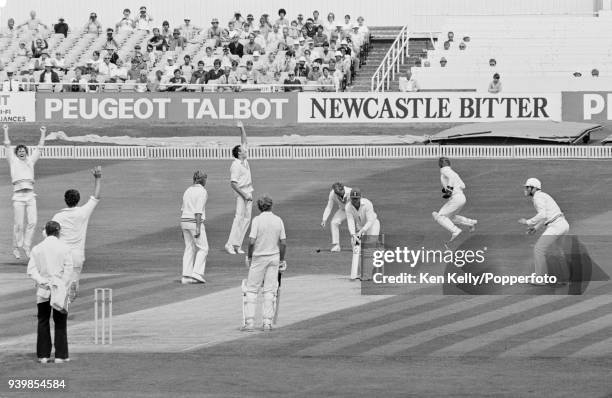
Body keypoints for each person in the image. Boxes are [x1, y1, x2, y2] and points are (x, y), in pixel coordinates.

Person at [26, 220, 74, 364]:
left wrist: (43, 281)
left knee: (43, 320)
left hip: (43, 289)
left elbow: (31, 271)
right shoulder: (65, 247)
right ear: (58, 232)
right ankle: (61, 356)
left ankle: (43, 356)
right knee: (60, 322)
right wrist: (60, 284)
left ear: (46, 232)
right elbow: (69, 269)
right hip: (59, 289)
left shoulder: (37, 248)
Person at [51, 166, 101, 299]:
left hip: (62, 254)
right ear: (78, 200)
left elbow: (47, 234)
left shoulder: (58, 216)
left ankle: (61, 298)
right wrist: (98, 178)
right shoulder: (83, 212)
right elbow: (96, 197)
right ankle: (70, 291)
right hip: (77, 255)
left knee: (60, 282)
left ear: (65, 200)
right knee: (73, 283)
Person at [242, 195, 287, 332]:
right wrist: (281, 260)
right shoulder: (278, 220)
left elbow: (251, 241)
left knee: (251, 290)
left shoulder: (257, 220)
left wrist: (249, 256)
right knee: (269, 290)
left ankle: (249, 323)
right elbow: (283, 243)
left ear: (259, 207)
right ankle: (267, 323)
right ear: (271, 206)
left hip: (259, 258)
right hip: (274, 258)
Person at [4, 125, 46, 259]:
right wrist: (5, 130)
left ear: (26, 152)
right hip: (18, 196)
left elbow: (40, 148)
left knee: (33, 222)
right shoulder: (13, 161)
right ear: (16, 153)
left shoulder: (30, 161)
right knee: (19, 224)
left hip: (30, 196)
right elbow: (7, 145)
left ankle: (26, 246)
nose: (21, 152)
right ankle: (16, 247)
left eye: (23, 150)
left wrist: (43, 133)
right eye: (19, 151)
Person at [518, 178, 570, 284]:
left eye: (527, 187)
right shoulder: (543, 196)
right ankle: (564, 277)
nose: (526, 189)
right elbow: (545, 216)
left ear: (533, 188)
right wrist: (536, 228)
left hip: (556, 226)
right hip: (563, 224)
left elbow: (543, 215)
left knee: (538, 249)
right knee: (557, 250)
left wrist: (528, 222)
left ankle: (539, 278)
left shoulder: (538, 197)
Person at [432, 157, 477, 246]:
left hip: (456, 198)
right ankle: (470, 222)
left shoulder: (444, 170)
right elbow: (463, 186)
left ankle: (455, 231)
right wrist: (446, 189)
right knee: (450, 217)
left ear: (440, 165)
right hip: (461, 198)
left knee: (439, 216)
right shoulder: (454, 173)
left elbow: (451, 178)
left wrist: (448, 190)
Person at [225, 121, 253, 255]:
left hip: (249, 191)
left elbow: (244, 140)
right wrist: (244, 195)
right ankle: (229, 244)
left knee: (247, 220)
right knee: (238, 219)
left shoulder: (245, 161)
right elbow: (233, 184)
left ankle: (237, 245)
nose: (246, 150)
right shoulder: (235, 165)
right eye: (243, 150)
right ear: (239, 153)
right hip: (242, 193)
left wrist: (242, 128)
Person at [180, 171, 208, 284]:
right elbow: (198, 210)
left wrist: (182, 229)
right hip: (194, 222)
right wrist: (197, 227)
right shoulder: (202, 191)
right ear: (202, 180)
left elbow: (182, 209)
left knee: (189, 247)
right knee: (203, 248)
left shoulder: (188, 190)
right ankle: (196, 273)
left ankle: (186, 276)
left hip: (184, 221)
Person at [345, 189, 380, 279]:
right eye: (353, 199)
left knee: (369, 247)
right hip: (360, 226)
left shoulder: (367, 203)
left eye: (356, 199)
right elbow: (350, 221)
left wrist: (361, 232)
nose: (355, 201)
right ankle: (362, 272)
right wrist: (353, 234)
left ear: (360, 198)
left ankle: (368, 275)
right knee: (355, 244)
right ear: (350, 198)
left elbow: (370, 220)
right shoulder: (348, 207)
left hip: (372, 225)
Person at [321, 182, 353, 252]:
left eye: (340, 192)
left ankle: (356, 245)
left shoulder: (351, 191)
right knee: (334, 222)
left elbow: (359, 203)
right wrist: (324, 219)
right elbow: (329, 207)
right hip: (343, 210)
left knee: (354, 227)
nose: (338, 194)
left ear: (343, 188)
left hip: (353, 211)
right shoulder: (332, 194)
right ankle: (336, 245)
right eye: (337, 193)